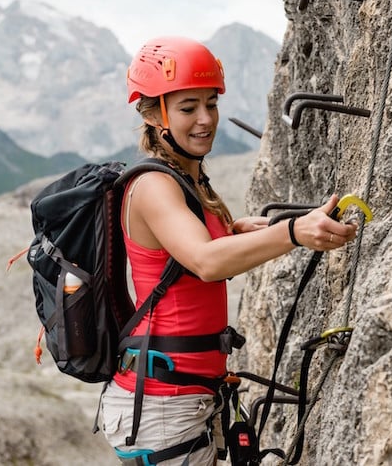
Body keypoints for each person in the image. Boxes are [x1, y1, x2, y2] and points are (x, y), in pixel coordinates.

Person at [99, 36, 358, 465]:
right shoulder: (154, 186)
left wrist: (233, 231)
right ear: (153, 114)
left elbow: (184, 253)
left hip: (185, 397)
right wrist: (294, 232)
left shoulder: (186, 178)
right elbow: (205, 261)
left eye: (211, 104)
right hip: (164, 405)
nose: (205, 119)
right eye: (187, 108)